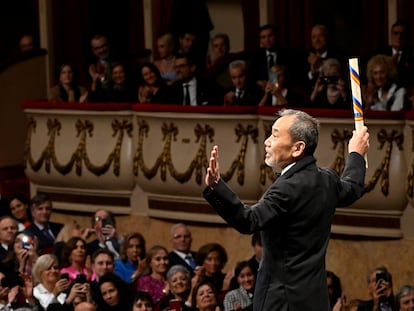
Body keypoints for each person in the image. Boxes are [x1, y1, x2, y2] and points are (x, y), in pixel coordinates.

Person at [203, 108, 369, 310]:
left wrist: (216, 186)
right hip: (314, 300)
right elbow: (352, 188)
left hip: (280, 301)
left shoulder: (287, 188)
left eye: (274, 135)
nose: (267, 141)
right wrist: (356, 154)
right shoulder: (326, 179)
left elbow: (248, 220)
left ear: (297, 148)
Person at [249, 24, 290, 91]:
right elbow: (251, 77)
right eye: (263, 37)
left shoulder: (287, 53)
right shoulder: (256, 56)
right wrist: (258, 82)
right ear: (260, 40)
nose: (267, 40)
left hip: (282, 90)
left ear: (276, 37)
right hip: (262, 92)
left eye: (270, 36)